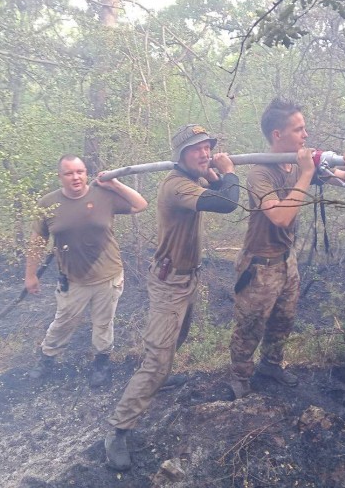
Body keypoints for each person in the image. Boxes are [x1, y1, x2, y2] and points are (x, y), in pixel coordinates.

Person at [104, 124, 240, 471]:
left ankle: (159, 377)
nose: (205, 153)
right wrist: (227, 173)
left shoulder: (193, 179)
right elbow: (227, 202)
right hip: (170, 284)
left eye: (208, 147)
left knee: (177, 339)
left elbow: (216, 187)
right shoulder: (176, 186)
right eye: (196, 149)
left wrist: (212, 172)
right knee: (157, 359)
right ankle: (118, 429)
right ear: (180, 155)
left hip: (187, 278)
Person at [228, 97, 345, 399]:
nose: (306, 135)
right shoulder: (260, 173)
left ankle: (271, 366)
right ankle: (240, 376)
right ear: (278, 135)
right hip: (258, 265)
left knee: (283, 321)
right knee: (250, 326)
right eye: (299, 129)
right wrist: (305, 173)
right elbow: (280, 216)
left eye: (305, 129)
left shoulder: (299, 164)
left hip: (287, 261)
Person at [24, 154, 148, 388]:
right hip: (73, 279)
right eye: (69, 173)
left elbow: (141, 204)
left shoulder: (103, 195)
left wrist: (114, 183)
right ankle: (47, 359)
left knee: (103, 323)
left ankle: (102, 363)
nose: (76, 177)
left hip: (108, 275)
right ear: (60, 177)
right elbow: (37, 242)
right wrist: (30, 275)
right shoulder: (47, 204)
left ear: (86, 173)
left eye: (80, 171)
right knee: (63, 322)